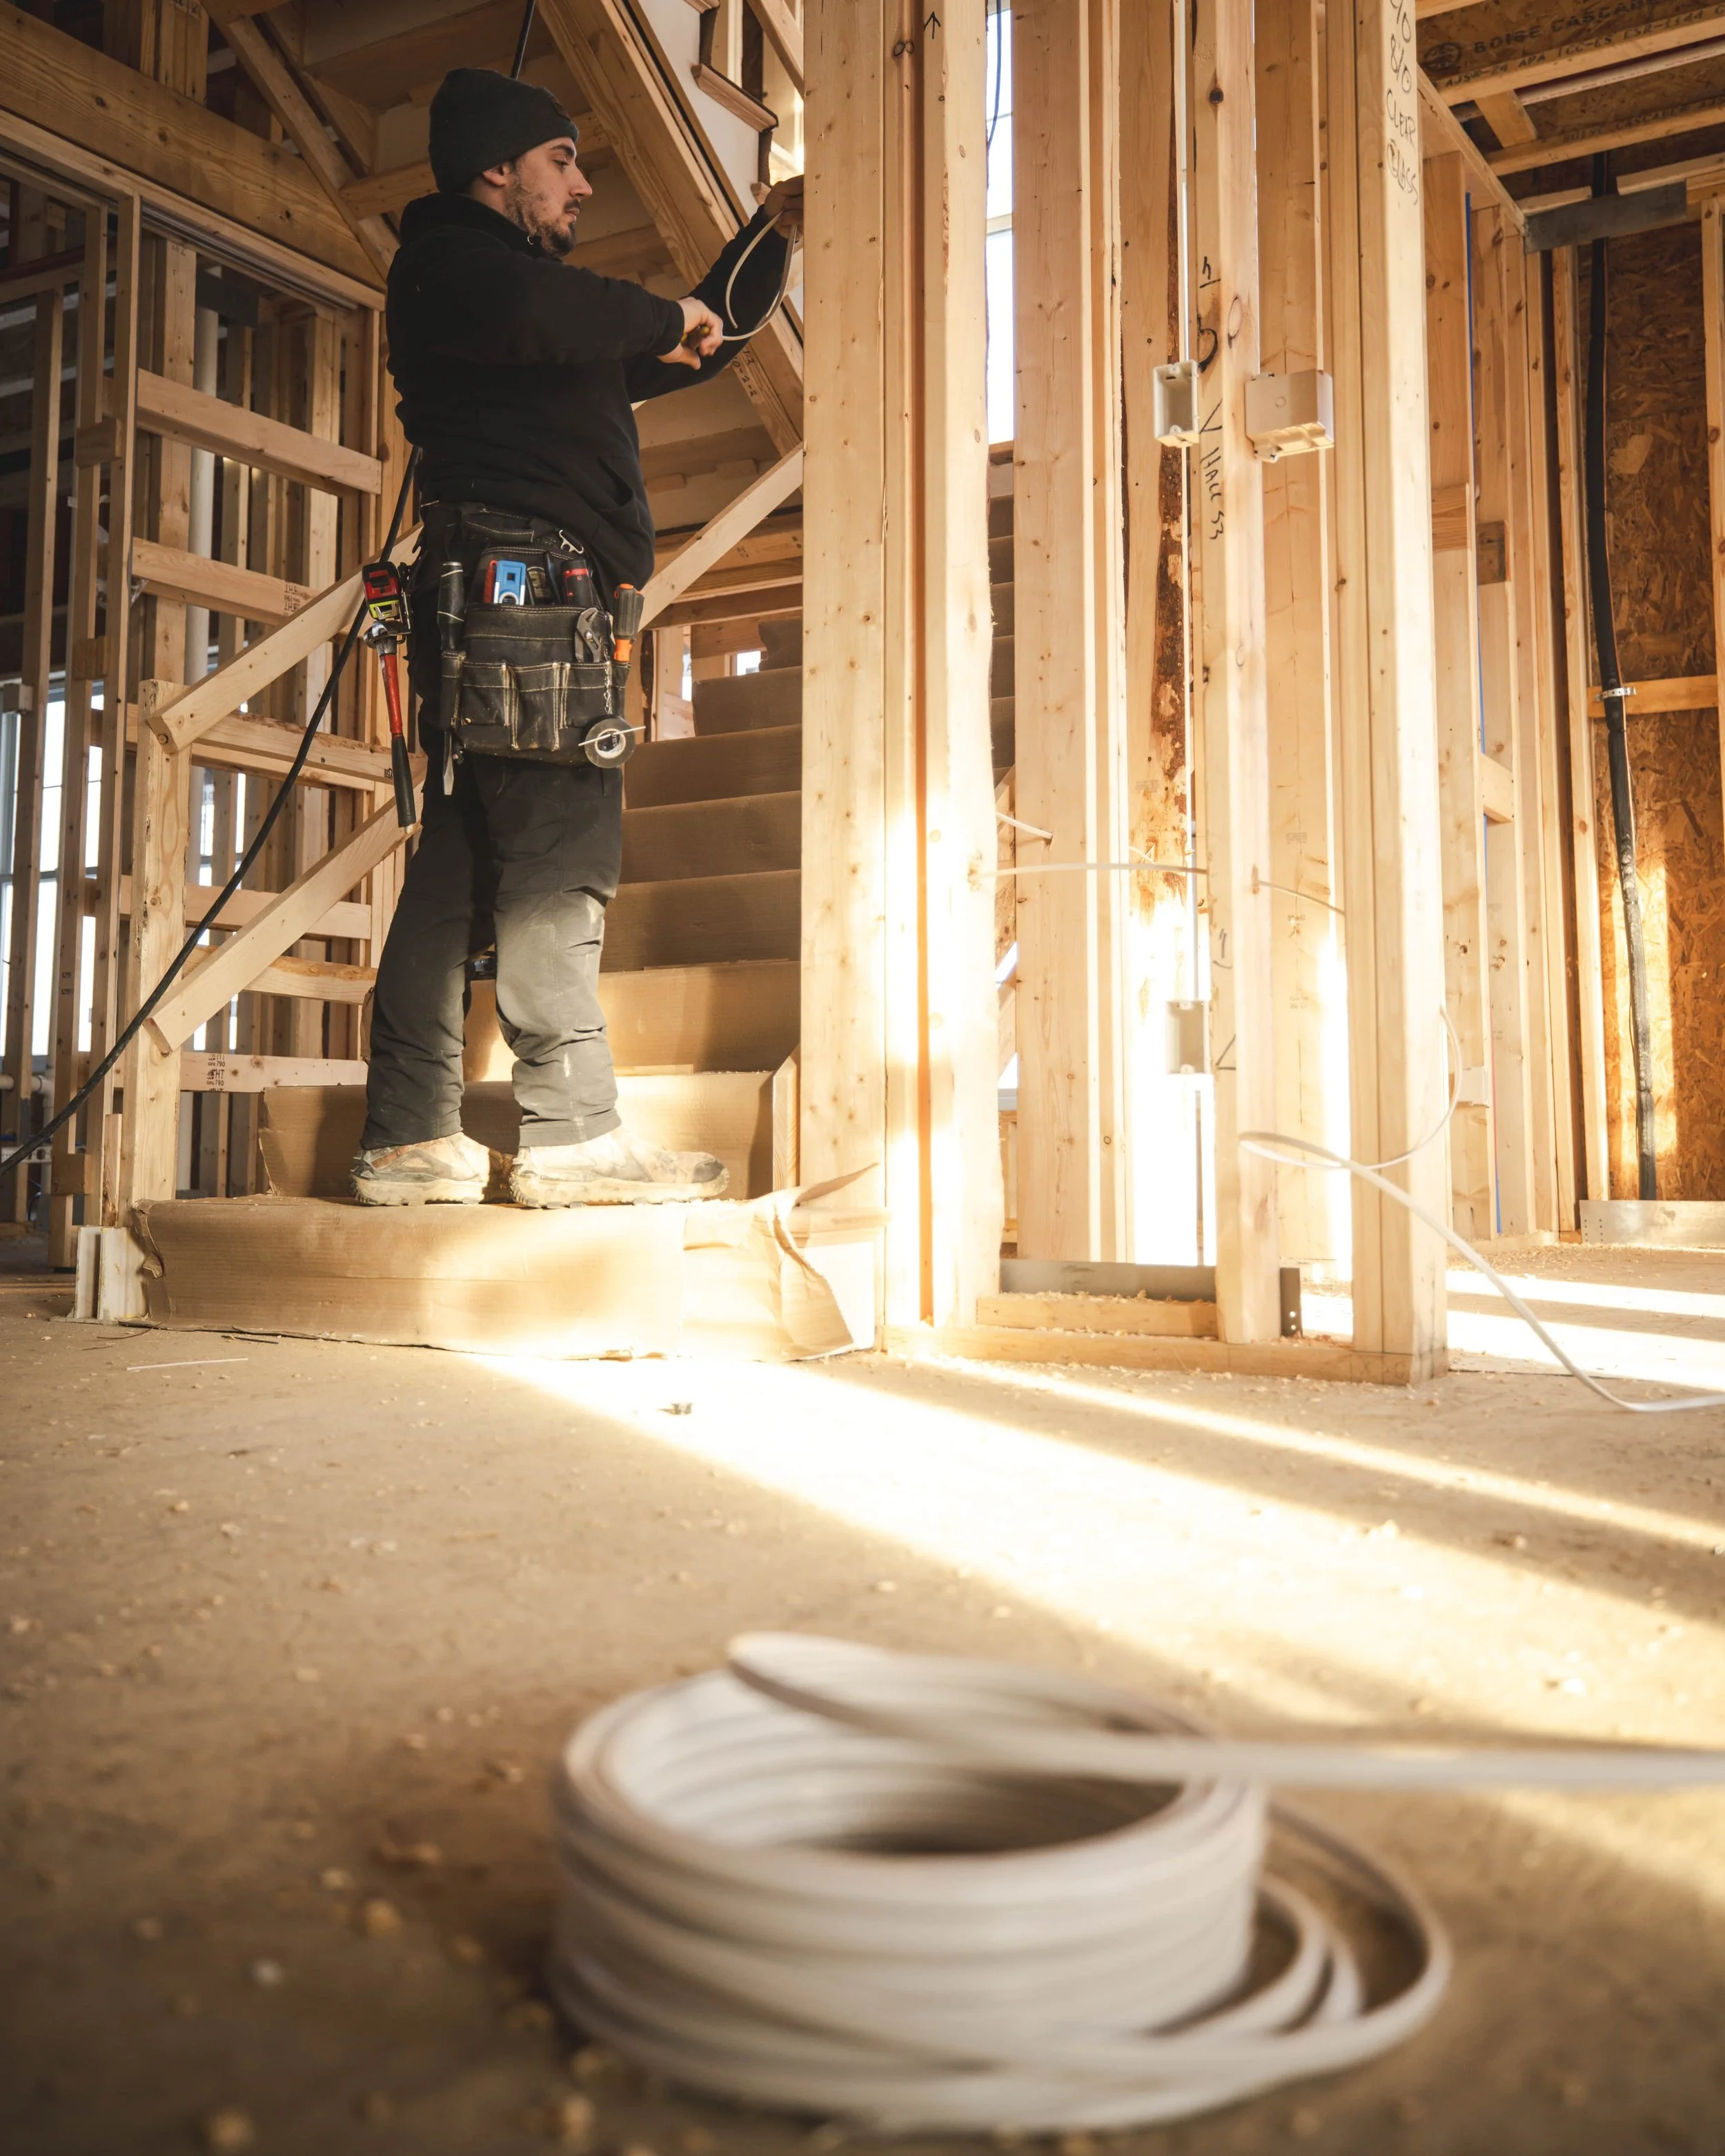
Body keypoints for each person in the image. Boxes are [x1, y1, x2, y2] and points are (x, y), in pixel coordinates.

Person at [351, 66, 802, 1209]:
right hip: (527, 598)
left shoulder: (522, 314)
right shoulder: (455, 266)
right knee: (561, 856)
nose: (584, 184)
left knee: (457, 869)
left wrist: (772, 233)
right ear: (498, 167)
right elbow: (574, 314)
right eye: (563, 161)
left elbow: (708, 334)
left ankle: (408, 1137)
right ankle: (572, 1137)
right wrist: (661, 313)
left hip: (505, 599)